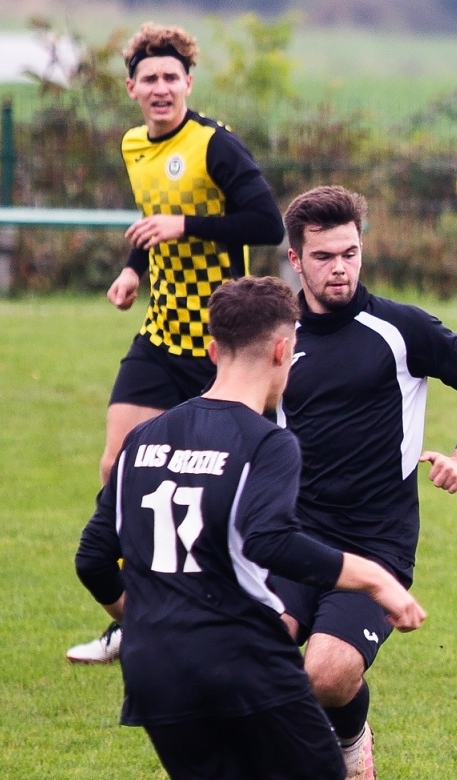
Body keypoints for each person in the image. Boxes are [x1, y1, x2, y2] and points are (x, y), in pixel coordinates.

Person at [74, 276, 433, 780]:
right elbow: (273, 540)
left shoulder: (143, 439)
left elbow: (93, 558)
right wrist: (374, 577)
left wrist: (148, 621)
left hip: (155, 674)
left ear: (210, 349)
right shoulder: (269, 442)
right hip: (241, 657)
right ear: (283, 350)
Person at [273, 185, 457, 780]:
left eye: (350, 253)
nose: (340, 268)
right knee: (250, 659)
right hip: (291, 538)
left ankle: (351, 738)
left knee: (325, 674)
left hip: (375, 545)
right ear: (296, 260)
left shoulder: (399, 328)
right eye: (324, 257)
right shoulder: (277, 335)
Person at [68, 22, 286, 664]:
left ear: (189, 83)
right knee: (117, 468)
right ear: (131, 89)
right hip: (161, 335)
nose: (161, 88)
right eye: (149, 79)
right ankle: (138, 621)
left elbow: (266, 222)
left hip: (224, 346)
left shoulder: (215, 145)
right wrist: (132, 270)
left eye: (171, 77)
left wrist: (186, 225)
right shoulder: (134, 144)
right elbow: (152, 219)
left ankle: (260, 611)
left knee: (241, 488)